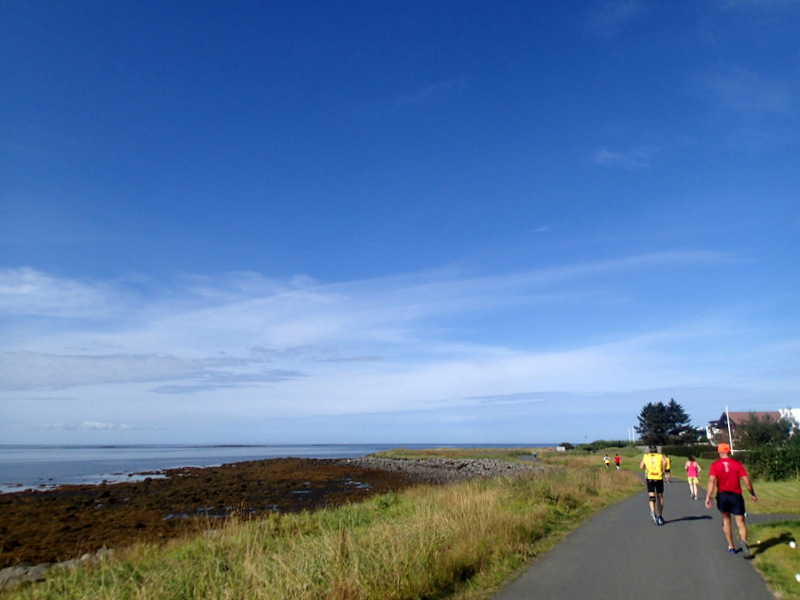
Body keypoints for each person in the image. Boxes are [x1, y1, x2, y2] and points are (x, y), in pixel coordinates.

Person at [705, 443, 758, 558]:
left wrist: (708, 496)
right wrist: (752, 494)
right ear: (729, 452)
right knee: (740, 522)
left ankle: (731, 546)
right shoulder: (737, 465)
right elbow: (747, 482)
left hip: (722, 496)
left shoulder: (715, 465)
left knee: (726, 520)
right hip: (736, 495)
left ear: (719, 452)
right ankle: (743, 541)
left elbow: (711, 481)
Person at [640, 445, 667, 525]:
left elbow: (641, 466)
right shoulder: (660, 456)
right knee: (660, 496)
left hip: (650, 478)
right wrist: (663, 470)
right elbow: (665, 462)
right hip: (658, 477)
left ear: (649, 450)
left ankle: (652, 511)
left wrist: (646, 466)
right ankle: (660, 515)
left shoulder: (646, 456)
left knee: (651, 496)